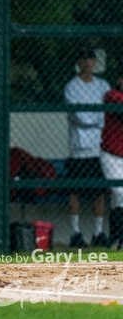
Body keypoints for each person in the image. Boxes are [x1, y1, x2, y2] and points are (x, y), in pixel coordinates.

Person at [64, 46, 111, 248]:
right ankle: (76, 233)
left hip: (98, 148)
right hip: (78, 148)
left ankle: (98, 232)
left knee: (98, 192)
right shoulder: (71, 86)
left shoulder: (103, 85)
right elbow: (78, 116)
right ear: (78, 62)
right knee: (75, 192)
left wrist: (93, 117)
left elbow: (107, 115)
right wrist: (95, 117)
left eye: (90, 59)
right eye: (83, 59)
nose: (87, 63)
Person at [100, 62, 123, 250]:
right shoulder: (111, 95)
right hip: (112, 154)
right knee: (119, 192)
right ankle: (117, 236)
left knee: (118, 199)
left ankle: (115, 238)